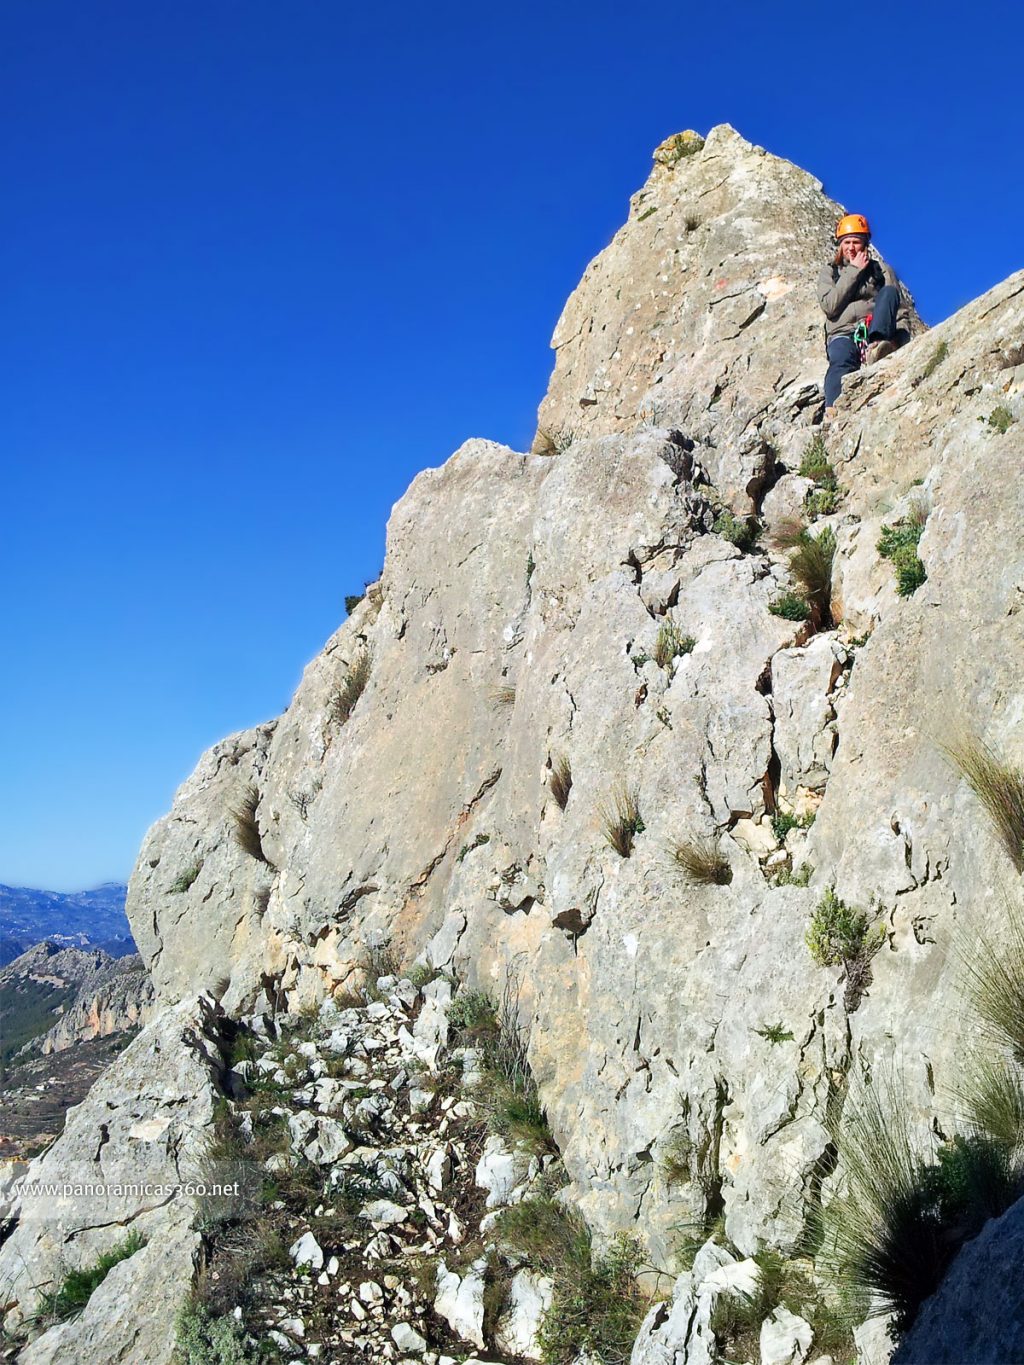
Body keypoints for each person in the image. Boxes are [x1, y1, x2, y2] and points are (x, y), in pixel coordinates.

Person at [818, 214, 911, 414]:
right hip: (842, 331)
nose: (851, 248)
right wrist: (854, 270)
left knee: (889, 292)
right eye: (846, 243)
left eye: (856, 242)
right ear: (840, 245)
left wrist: (901, 339)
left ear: (865, 244)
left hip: (874, 327)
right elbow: (829, 305)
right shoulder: (830, 272)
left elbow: (899, 309)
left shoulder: (881, 270)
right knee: (840, 361)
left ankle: (878, 347)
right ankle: (833, 409)